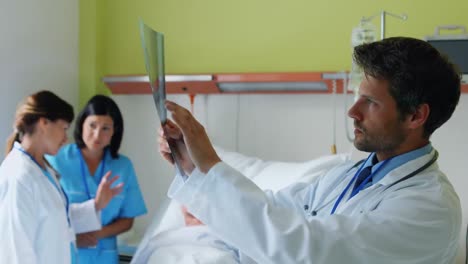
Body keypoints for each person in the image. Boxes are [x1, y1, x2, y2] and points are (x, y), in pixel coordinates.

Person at [159, 37, 462, 263]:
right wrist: (191, 164)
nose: (353, 111)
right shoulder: (345, 176)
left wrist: (212, 165)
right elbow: (272, 211)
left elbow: (308, 248)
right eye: (358, 97)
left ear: (415, 116)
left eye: (371, 102)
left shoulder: (429, 208)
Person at [0, 90, 123, 264]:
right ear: (44, 123)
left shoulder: (42, 169)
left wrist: (96, 205)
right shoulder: (18, 176)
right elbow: (15, 250)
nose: (66, 138)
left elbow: (58, 218)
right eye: (64, 128)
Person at [47, 95, 147, 264]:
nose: (97, 135)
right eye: (92, 126)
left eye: (105, 128)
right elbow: (47, 216)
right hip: (67, 254)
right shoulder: (57, 160)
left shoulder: (123, 166)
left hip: (105, 255)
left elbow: (128, 220)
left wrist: (97, 234)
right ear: (82, 124)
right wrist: (74, 238)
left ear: (115, 131)